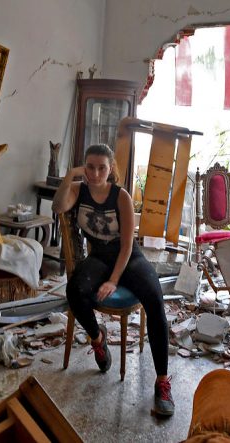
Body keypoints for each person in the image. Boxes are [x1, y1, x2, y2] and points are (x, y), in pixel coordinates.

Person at [52, 143, 174, 417]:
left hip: (129, 258)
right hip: (99, 258)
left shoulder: (121, 197)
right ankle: (98, 339)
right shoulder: (77, 190)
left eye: (101, 168)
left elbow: (128, 245)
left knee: (154, 299)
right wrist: (70, 174)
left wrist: (114, 280)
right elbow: (58, 206)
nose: (95, 173)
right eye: (90, 167)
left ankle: (162, 382)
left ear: (111, 169)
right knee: (75, 290)